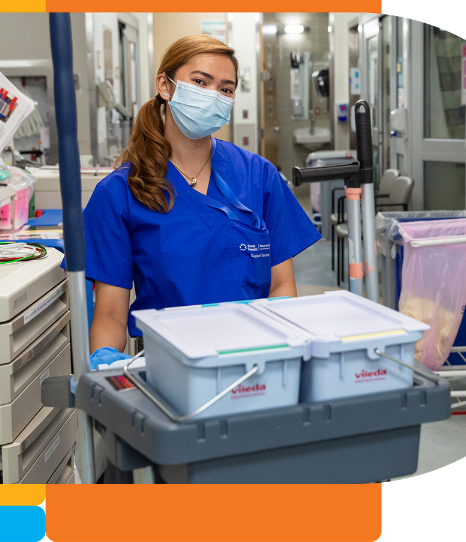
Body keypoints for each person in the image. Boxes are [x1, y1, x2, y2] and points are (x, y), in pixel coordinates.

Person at [83, 34, 322, 371]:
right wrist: (106, 370)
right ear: (165, 86)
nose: (214, 96)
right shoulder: (120, 192)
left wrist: (279, 355)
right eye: (200, 82)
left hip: (256, 365)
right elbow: (109, 314)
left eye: (226, 88)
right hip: (169, 368)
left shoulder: (259, 176)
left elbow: (281, 285)